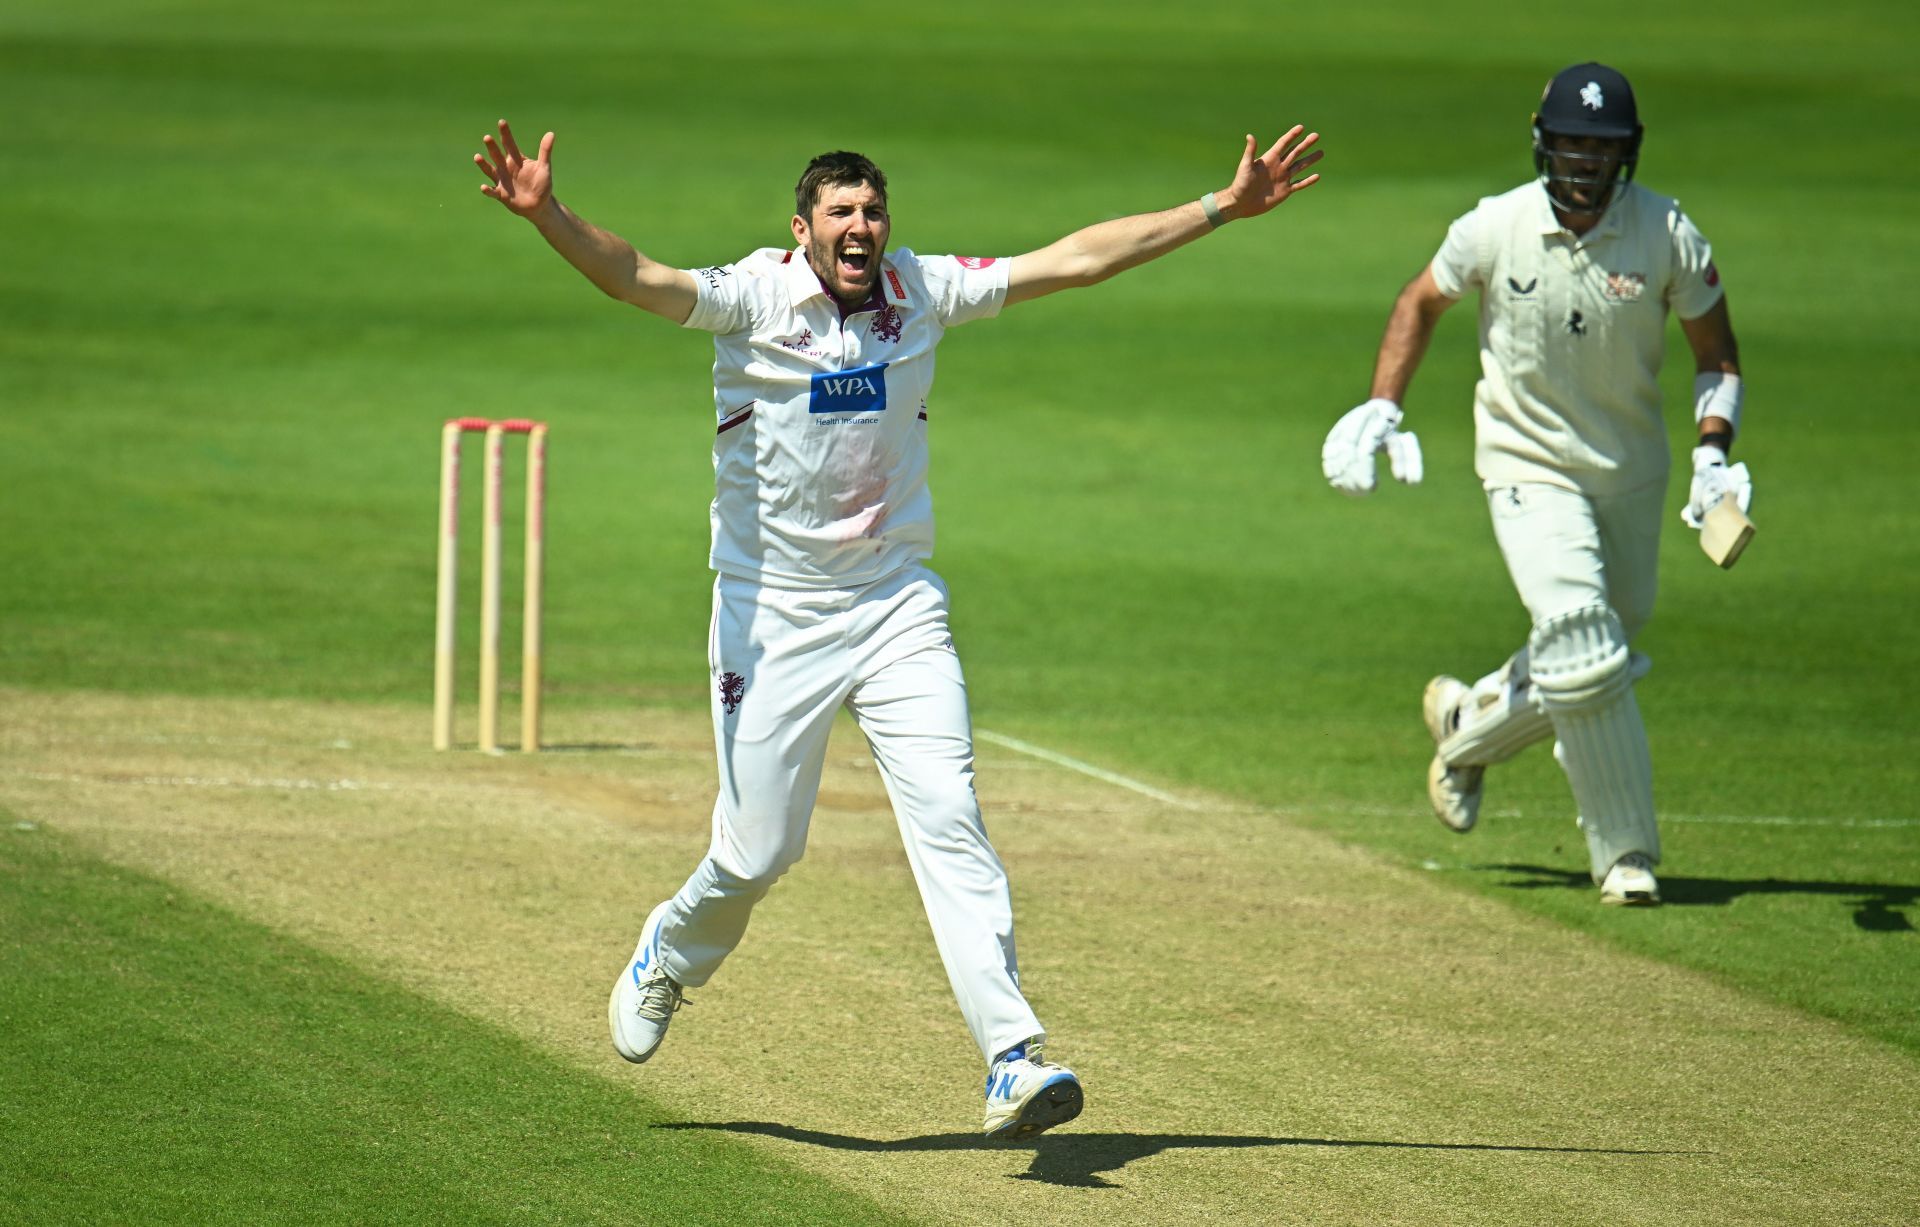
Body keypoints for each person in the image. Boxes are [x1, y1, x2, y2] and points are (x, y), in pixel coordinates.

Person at [474, 118, 1323, 1134]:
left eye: (874, 210)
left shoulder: (922, 290)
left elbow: (1077, 261)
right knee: (757, 856)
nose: (862, 226)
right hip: (772, 613)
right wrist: (549, 215)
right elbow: (638, 279)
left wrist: (1221, 207)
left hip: (894, 605)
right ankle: (669, 951)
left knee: (949, 816)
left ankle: (1013, 1057)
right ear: (803, 230)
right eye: (841, 212)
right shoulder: (753, 296)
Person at [1319, 62, 1746, 907]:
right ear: (1544, 142)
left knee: (1601, 650)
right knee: (1582, 642)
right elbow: (1418, 302)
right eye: (1572, 143)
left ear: (1629, 153)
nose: (1585, 161)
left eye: (1603, 147)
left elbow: (1717, 356)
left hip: (1629, 472)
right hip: (1525, 464)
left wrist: (1712, 452)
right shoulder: (1494, 226)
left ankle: (1465, 731)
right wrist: (1382, 406)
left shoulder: (1666, 232)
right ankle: (1625, 855)